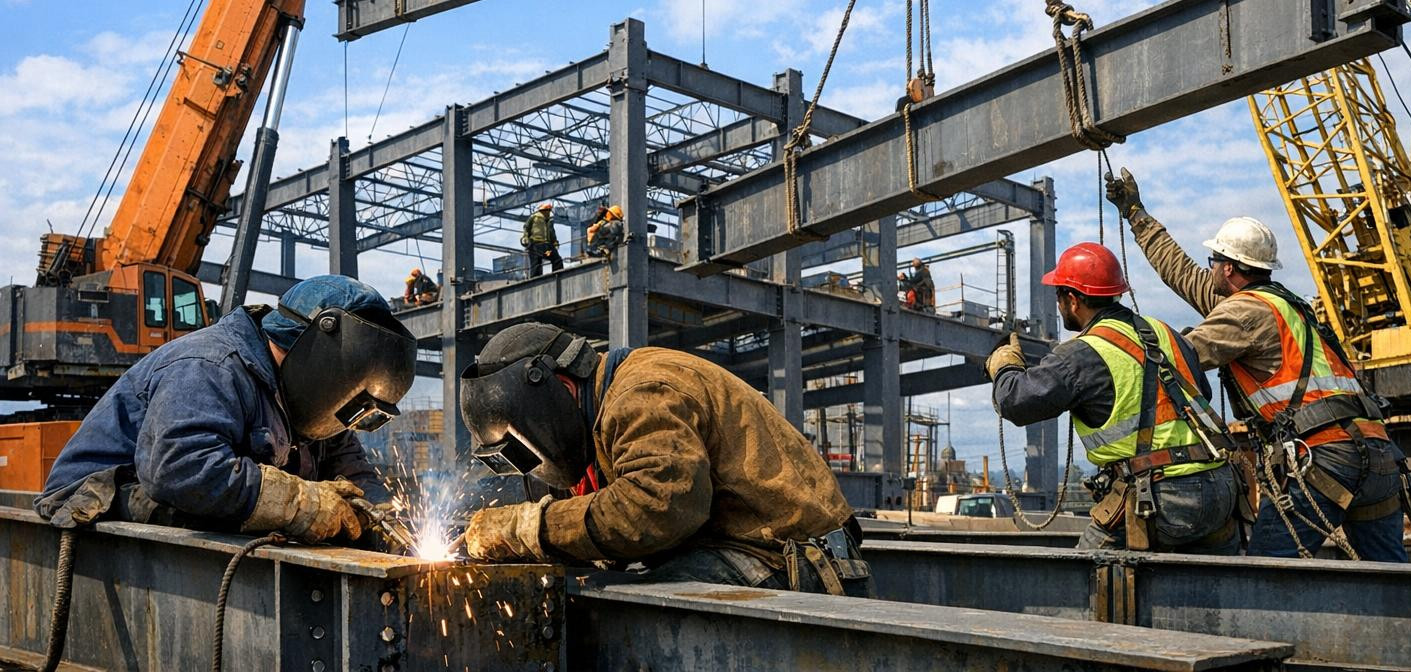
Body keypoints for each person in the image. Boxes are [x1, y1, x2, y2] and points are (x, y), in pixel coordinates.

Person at [1105, 167, 1411, 561]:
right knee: (1391, 577)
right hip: (1378, 450)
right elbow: (1180, 272)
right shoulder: (1281, 304)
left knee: (1269, 573)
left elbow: (1180, 361)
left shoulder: (1245, 314)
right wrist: (1136, 214)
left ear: (1228, 267)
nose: (1209, 267)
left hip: (1326, 455)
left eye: (1213, 260)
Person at [458, 322, 869, 594]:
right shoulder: (602, 412)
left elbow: (659, 507)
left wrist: (529, 528)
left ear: (562, 391)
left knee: (616, 614)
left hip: (794, 563)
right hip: (742, 552)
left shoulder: (640, 393)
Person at [35, 275, 417, 544]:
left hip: (176, 496)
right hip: (102, 502)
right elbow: (178, 468)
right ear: (322, 355)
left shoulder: (312, 399)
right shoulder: (210, 365)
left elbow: (353, 473)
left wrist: (385, 523)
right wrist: (298, 502)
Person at [987, 242, 1240, 554]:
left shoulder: (1081, 353)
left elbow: (1015, 401)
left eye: (1059, 296)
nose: (1058, 304)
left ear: (1072, 299)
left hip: (1162, 497)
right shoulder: (1166, 332)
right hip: (1221, 486)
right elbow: (1202, 392)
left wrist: (1005, 365)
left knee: (1083, 583)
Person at [522, 202, 564, 277]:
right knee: (536, 262)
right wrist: (525, 238)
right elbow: (526, 228)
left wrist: (555, 242)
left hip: (545, 247)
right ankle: (536, 279)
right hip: (535, 246)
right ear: (544, 211)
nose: (549, 212)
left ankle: (558, 273)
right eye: (548, 210)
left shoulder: (549, 221)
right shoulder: (534, 217)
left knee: (555, 258)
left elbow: (552, 233)